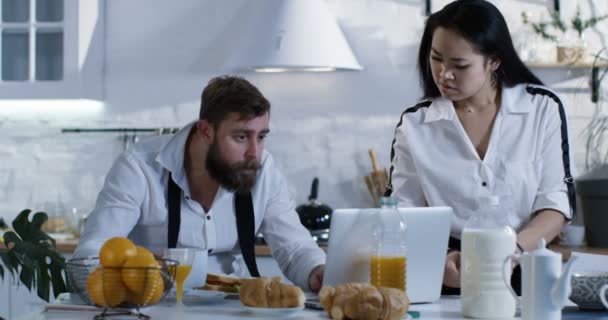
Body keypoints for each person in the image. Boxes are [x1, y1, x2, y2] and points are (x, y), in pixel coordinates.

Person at [385, 0, 574, 294]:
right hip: (448, 271)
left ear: (494, 61)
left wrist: (511, 251)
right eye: (436, 58)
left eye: (460, 65)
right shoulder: (416, 124)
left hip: (524, 269)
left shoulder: (541, 108)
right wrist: (438, 261)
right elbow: (400, 213)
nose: (444, 74)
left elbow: (555, 203)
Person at [75, 76, 326, 292]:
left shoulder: (264, 170)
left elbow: (295, 248)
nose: (254, 152)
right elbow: (88, 258)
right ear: (205, 131)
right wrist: (140, 265)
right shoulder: (138, 168)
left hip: (237, 309)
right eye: (241, 137)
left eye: (261, 137)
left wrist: (318, 271)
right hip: (156, 309)